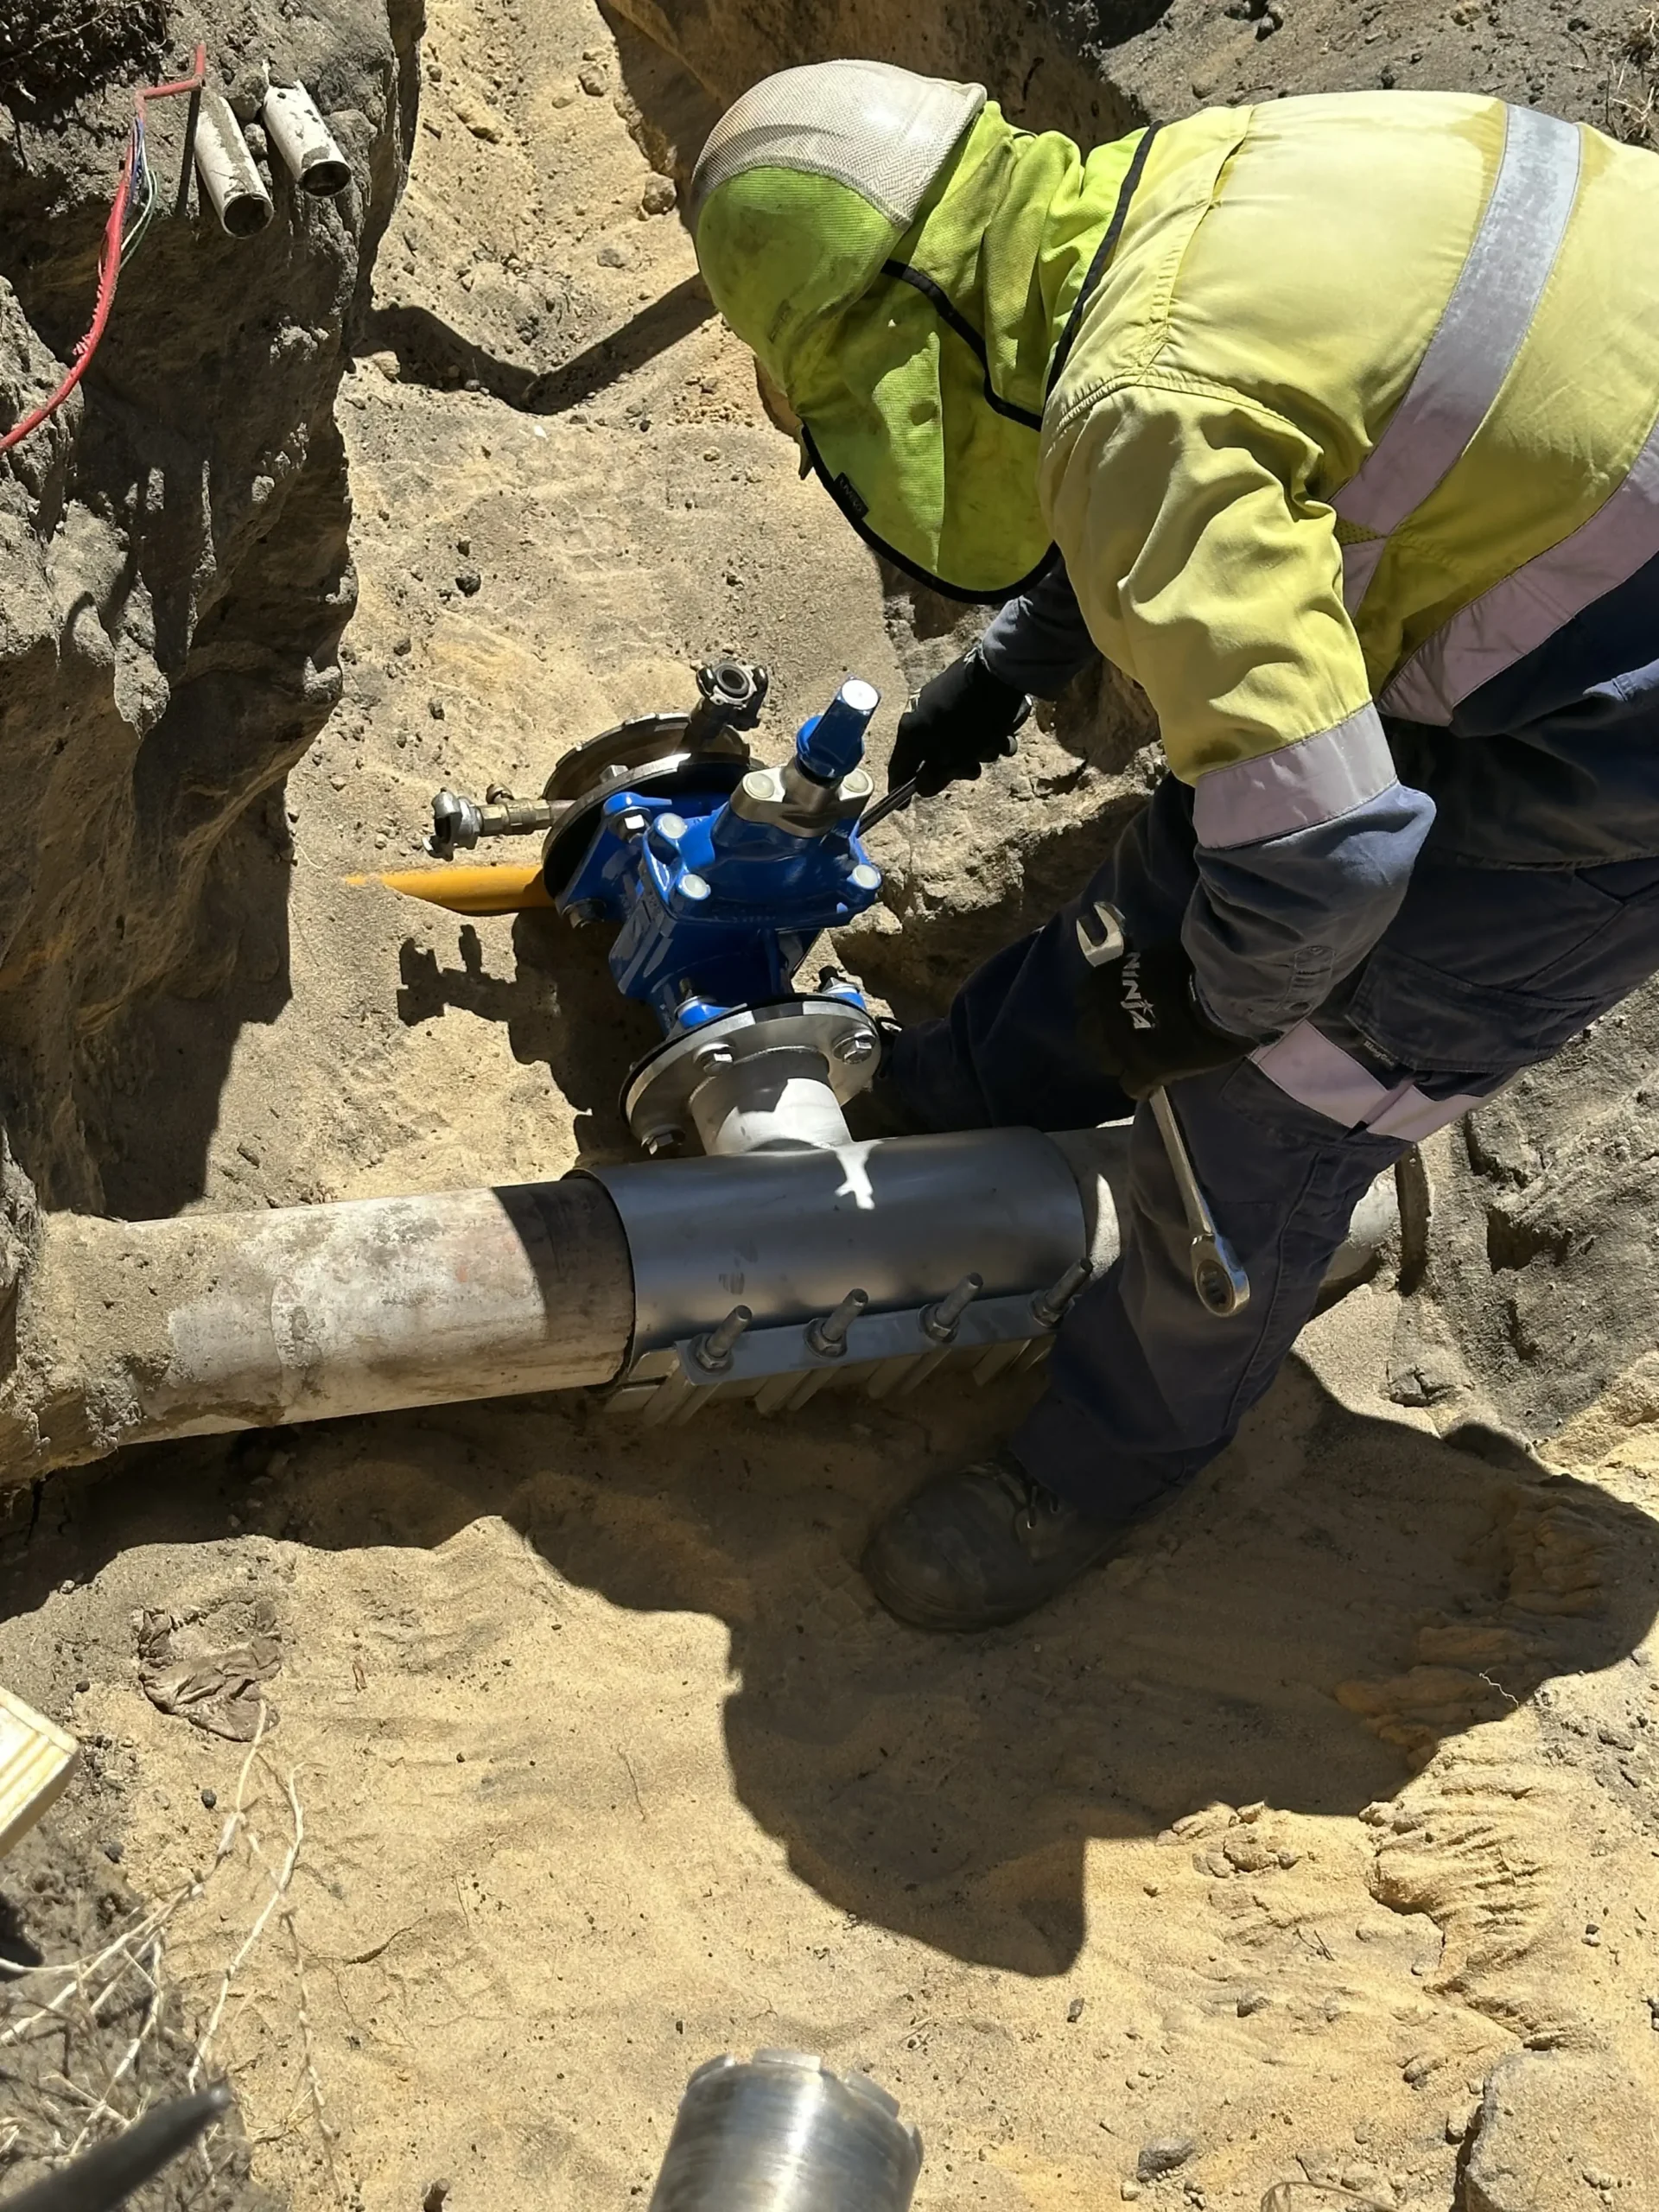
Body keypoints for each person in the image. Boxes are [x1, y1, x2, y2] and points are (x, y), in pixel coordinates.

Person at [689, 62, 1659, 1631]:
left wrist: (1196, 1013)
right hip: (1569, 573)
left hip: (1613, 761)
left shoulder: (1134, 395)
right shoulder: (1171, 193)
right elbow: (1230, 455)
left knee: (1277, 1099)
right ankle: (945, 1101)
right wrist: (1010, 667)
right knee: (1185, 871)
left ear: (902, 335)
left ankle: (1104, 1460)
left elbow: (1334, 857)